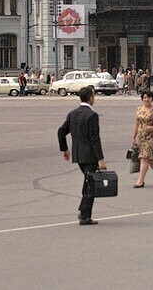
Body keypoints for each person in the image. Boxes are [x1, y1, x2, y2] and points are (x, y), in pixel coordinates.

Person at [57, 86, 106, 226]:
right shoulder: (92, 115)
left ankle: (83, 211)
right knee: (91, 184)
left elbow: (61, 132)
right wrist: (100, 159)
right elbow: (94, 139)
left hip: (78, 155)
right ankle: (84, 215)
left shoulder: (73, 114)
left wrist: (65, 149)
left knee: (88, 181)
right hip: (90, 155)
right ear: (91, 98)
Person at [131, 90, 153, 188]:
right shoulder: (139, 109)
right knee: (150, 160)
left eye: (148, 97)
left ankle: (140, 180)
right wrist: (134, 137)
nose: (146, 99)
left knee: (144, 158)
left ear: (152, 98)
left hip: (152, 137)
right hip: (142, 137)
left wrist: (151, 128)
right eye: (144, 97)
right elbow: (137, 124)